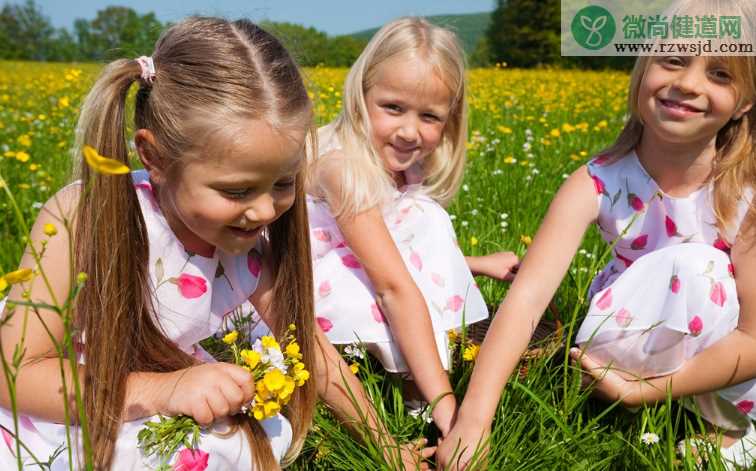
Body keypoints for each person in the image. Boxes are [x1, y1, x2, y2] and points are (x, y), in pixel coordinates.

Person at [0, 17, 430, 470]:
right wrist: (161, 389)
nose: (265, 211)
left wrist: (381, 440)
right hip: (59, 406)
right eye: (237, 191)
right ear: (155, 157)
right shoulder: (85, 214)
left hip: (160, 397)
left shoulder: (243, 244)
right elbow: (16, 375)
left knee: (255, 437)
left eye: (283, 182)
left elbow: (308, 347)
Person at [438, 1, 756, 468]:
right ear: (642, 68)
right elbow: (525, 300)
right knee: (697, 268)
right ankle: (720, 429)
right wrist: (474, 420)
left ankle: (716, 423)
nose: (688, 84)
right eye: (672, 59)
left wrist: (642, 394)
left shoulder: (745, 192)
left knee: (703, 273)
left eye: (721, 75)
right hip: (625, 341)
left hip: (714, 354)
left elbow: (753, 338)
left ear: (745, 103)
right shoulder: (596, 182)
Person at [306, 16, 519, 437]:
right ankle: (421, 402)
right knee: (423, 234)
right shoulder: (341, 167)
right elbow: (391, 286)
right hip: (303, 296)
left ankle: (413, 388)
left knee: (426, 218)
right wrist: (450, 410)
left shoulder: (400, 169)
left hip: (368, 277)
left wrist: (470, 263)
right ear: (360, 95)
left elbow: (383, 248)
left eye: (430, 116)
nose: (409, 131)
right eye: (393, 108)